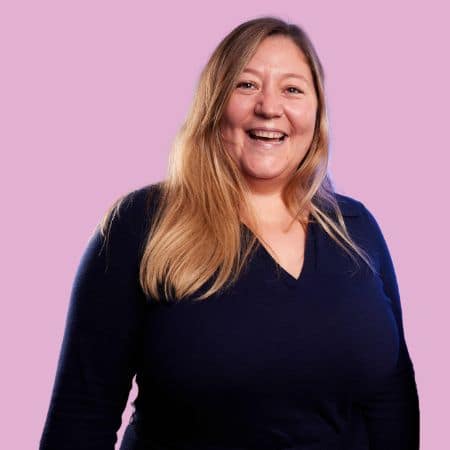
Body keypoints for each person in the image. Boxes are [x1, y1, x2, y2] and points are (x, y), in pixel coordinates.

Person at [39, 16, 420, 450]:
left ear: (317, 112)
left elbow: (392, 399)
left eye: (292, 89)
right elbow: (82, 416)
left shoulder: (357, 228)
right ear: (214, 102)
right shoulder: (139, 226)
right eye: (247, 85)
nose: (269, 107)